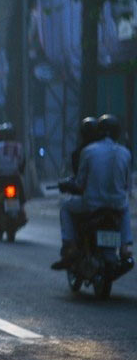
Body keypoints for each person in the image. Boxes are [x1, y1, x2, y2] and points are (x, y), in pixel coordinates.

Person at [52, 114, 133, 269]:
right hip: (117, 204)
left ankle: (70, 245)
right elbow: (127, 186)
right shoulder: (125, 153)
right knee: (125, 208)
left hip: (92, 204)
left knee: (65, 207)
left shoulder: (88, 151)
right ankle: (126, 246)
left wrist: (70, 185)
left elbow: (80, 183)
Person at [0, 122, 27, 217]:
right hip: (15, 177)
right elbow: (22, 162)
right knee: (22, 195)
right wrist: (20, 171)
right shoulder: (19, 146)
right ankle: (22, 211)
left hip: (2, 178)